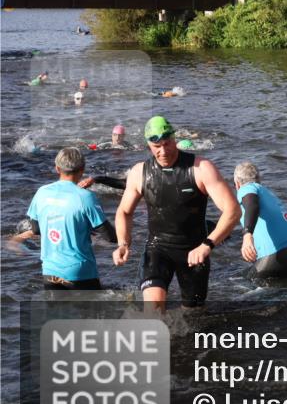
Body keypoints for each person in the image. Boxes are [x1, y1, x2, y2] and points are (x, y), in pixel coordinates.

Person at [113, 115, 239, 309]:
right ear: (148, 145)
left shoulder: (200, 168)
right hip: (157, 247)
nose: (163, 151)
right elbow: (124, 211)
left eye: (167, 143)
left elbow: (232, 210)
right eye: (157, 147)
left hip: (194, 250)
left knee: (193, 316)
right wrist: (123, 242)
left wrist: (207, 245)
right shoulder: (140, 172)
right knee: (153, 308)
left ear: (174, 138)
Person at [9, 147, 114, 290]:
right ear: (82, 169)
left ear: (57, 168)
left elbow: (36, 229)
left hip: (50, 272)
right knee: (91, 311)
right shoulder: (86, 197)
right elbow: (110, 237)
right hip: (81, 272)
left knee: (58, 311)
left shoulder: (41, 192)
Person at [233, 162, 287, 279]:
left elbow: (252, 206)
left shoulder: (247, 188)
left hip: (277, 255)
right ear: (259, 179)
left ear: (237, 183)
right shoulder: (268, 194)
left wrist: (247, 235)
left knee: (240, 283)